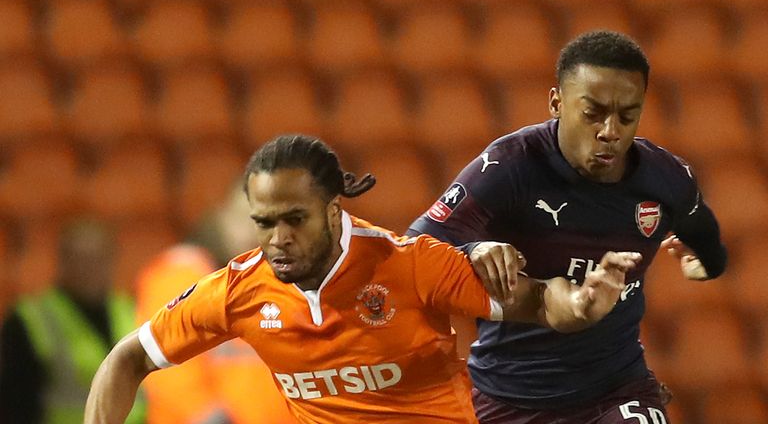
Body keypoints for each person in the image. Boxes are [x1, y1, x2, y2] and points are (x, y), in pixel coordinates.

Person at [85, 134, 641, 424]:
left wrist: (585, 303)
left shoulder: (411, 265)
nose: (278, 238)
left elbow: (541, 302)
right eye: (265, 223)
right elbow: (125, 360)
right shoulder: (238, 291)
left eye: (294, 220)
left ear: (332, 212)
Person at [408, 30, 728, 423]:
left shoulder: (666, 179)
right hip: (506, 393)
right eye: (593, 114)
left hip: (616, 390)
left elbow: (705, 233)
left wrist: (708, 264)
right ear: (556, 102)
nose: (611, 131)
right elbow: (415, 247)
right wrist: (470, 251)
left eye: (627, 116)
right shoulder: (509, 166)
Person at [135, 183, 295, 423]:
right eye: (248, 218)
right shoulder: (182, 274)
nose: (254, 232)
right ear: (221, 215)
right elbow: (164, 366)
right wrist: (208, 416)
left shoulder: (281, 286)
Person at [0, 218, 146, 424]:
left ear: (112, 259)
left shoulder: (134, 311)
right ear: (62, 261)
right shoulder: (29, 320)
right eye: (80, 259)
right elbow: (15, 402)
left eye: (97, 259)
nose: (88, 269)